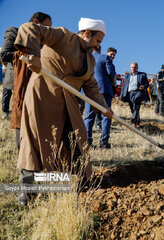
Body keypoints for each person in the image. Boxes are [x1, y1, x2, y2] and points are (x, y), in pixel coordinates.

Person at [14, 17, 113, 206]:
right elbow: (29, 28)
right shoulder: (62, 36)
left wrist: (104, 107)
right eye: (98, 40)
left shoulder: (90, 60)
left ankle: (85, 181)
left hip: (67, 103)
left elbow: (91, 87)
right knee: (34, 142)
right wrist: (34, 55)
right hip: (42, 97)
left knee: (78, 138)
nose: (98, 45)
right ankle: (27, 192)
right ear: (86, 34)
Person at [9, 12, 52, 150]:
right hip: (23, 88)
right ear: (35, 22)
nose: (47, 31)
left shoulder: (44, 46)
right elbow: (5, 54)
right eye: (45, 27)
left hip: (39, 91)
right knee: (22, 122)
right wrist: (29, 55)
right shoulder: (18, 38)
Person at [84, 46, 116, 148]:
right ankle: (104, 142)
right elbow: (111, 73)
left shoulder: (85, 58)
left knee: (89, 116)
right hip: (103, 89)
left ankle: (87, 141)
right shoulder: (105, 58)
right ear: (100, 49)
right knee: (106, 116)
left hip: (88, 90)